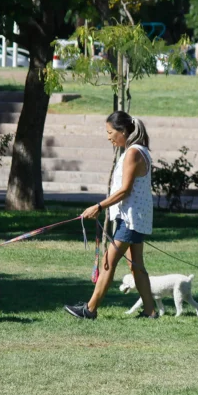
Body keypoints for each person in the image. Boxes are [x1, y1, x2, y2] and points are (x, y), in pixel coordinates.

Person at [64, 111, 158, 320]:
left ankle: (89, 309)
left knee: (108, 262)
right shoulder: (136, 151)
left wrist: (98, 206)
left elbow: (125, 190)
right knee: (136, 266)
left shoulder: (134, 153)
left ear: (123, 131)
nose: (108, 137)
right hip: (134, 217)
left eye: (110, 132)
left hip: (131, 218)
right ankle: (151, 311)